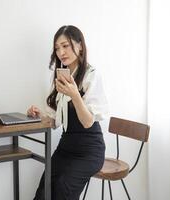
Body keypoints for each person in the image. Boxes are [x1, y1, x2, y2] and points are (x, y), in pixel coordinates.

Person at [27, 25, 108, 200]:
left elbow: (87, 122)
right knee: (45, 188)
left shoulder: (91, 75)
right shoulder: (59, 77)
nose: (61, 52)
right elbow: (55, 122)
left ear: (79, 45)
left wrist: (74, 95)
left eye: (65, 46)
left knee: (64, 187)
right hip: (67, 146)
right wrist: (38, 115)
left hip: (89, 149)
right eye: (57, 48)